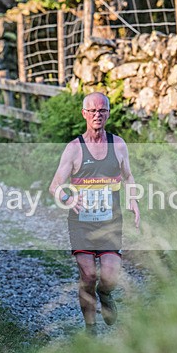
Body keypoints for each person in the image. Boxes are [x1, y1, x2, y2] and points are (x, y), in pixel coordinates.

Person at [49, 92, 140, 335]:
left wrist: (132, 199)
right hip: (82, 225)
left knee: (110, 276)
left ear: (108, 113)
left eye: (102, 111)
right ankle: (90, 328)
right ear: (84, 114)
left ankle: (105, 293)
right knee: (88, 275)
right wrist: (68, 199)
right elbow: (55, 186)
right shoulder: (74, 149)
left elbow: (129, 176)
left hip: (110, 222)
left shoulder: (118, 145)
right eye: (92, 111)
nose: (97, 115)